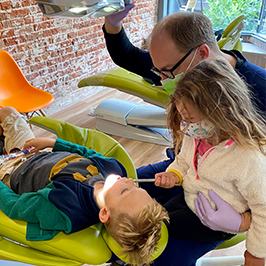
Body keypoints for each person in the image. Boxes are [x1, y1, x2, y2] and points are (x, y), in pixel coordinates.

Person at [103, 8, 266, 266]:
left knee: (159, 257)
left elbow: (260, 192)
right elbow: (128, 56)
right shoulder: (177, 67)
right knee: (116, 196)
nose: (164, 81)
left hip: (227, 198)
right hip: (186, 168)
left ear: (201, 53)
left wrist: (242, 222)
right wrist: (113, 23)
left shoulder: (259, 91)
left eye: (167, 72)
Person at [0, 106, 169, 265]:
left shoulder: (67, 207)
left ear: (104, 213)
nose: (129, 180)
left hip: (12, 171)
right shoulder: (115, 170)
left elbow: (15, 206)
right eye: (138, 188)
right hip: (37, 153)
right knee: (8, 111)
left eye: (126, 190)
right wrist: (52, 143)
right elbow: (89, 154)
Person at [155, 57, 266, 264]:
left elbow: (263, 208)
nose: (188, 128)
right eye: (185, 120)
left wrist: (255, 254)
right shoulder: (197, 135)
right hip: (192, 197)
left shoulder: (248, 158)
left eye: (192, 120)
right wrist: (174, 174)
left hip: (219, 223)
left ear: (222, 109)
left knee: (158, 231)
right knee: (156, 216)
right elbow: (184, 161)